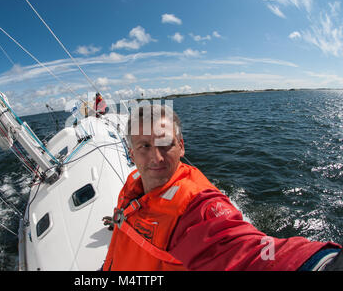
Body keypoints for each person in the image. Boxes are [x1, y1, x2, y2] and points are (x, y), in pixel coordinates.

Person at [102, 104, 342, 271]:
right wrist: (121, 221)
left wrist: (322, 264)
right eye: (144, 146)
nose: (156, 158)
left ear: (182, 146)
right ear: (131, 154)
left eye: (166, 144)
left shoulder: (196, 206)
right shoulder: (134, 182)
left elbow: (245, 253)